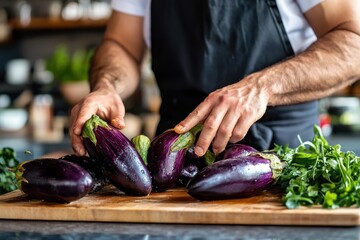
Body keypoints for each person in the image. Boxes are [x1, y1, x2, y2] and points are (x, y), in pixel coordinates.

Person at [70, 0, 360, 157]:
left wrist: (261, 87)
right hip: (173, 163)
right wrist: (107, 86)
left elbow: (353, 43)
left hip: (286, 160)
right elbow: (121, 45)